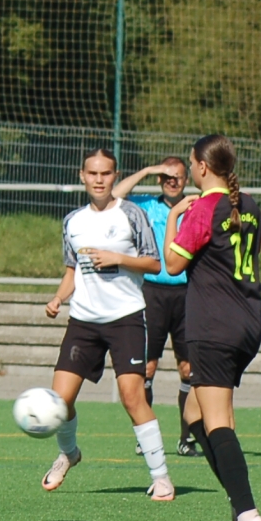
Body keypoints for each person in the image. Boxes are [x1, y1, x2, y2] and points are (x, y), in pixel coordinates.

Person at [39, 149, 174, 500]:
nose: (99, 180)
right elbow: (72, 269)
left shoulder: (132, 214)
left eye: (106, 173)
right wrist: (58, 298)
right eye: (93, 173)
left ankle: (160, 476)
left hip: (125, 318)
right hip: (83, 322)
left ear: (115, 176)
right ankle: (68, 454)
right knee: (60, 402)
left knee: (132, 398)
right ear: (82, 176)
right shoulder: (73, 221)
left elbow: (154, 263)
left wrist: (118, 258)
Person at [165, 134, 261, 521]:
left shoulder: (203, 208)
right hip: (247, 321)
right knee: (194, 412)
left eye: (191, 163)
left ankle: (247, 513)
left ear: (202, 167)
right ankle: (239, 506)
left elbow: (173, 264)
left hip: (213, 325)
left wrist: (174, 217)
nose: (190, 169)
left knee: (217, 420)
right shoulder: (250, 206)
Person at [113, 157, 198, 455]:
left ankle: (186, 439)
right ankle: (145, 436)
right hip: (152, 294)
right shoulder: (145, 205)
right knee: (147, 368)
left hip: (188, 293)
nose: (172, 182)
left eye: (178, 177)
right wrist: (149, 170)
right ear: (160, 180)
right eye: (166, 177)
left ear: (187, 179)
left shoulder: (195, 207)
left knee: (188, 370)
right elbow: (115, 195)